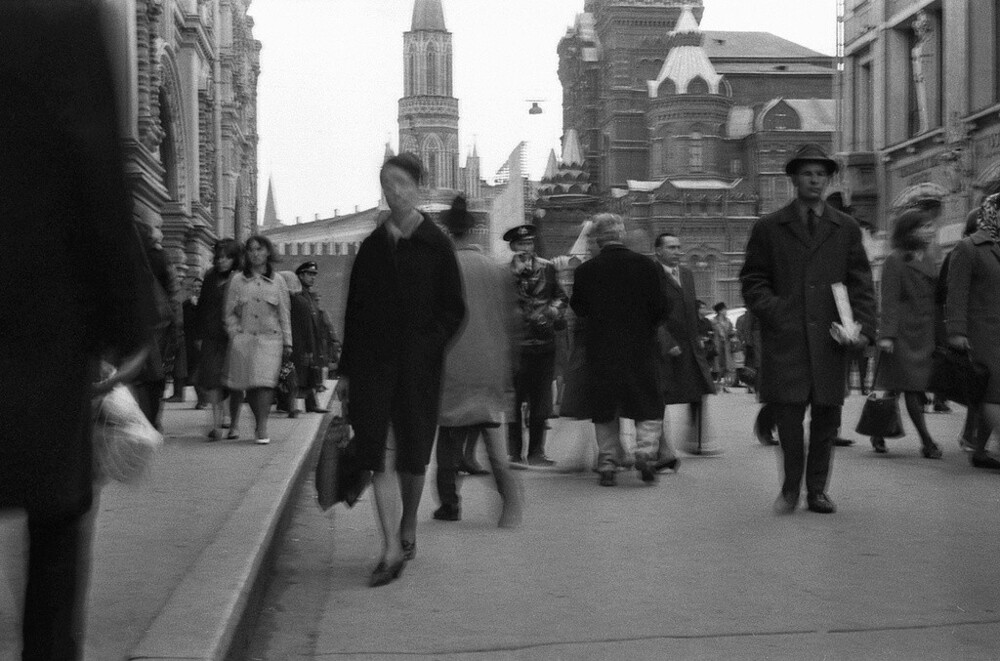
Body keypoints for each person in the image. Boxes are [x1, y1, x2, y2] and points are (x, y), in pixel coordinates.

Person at [1, 3, 155, 657]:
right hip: (35, 312)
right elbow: (94, 159)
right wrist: (126, 315)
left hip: (38, 312)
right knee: (55, 517)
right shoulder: (58, 13)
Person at [335, 153, 465, 587]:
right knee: (378, 453)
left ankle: (408, 524)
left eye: (401, 183)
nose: (393, 191)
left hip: (417, 368)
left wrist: (428, 345)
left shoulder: (436, 245)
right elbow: (354, 313)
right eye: (386, 183)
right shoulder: (372, 247)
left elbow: (454, 310)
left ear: (419, 188)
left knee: (411, 454)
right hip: (373, 366)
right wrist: (347, 373)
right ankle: (390, 546)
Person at [740, 144, 875, 515]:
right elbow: (753, 281)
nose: (815, 180)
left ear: (828, 179)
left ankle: (817, 491)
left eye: (821, 174)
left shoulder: (844, 228)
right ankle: (789, 489)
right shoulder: (769, 227)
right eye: (807, 173)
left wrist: (863, 330)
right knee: (788, 418)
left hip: (832, 340)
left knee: (827, 419)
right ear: (794, 179)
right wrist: (778, 312)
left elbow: (860, 282)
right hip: (787, 340)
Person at [433, 195, 523, 525]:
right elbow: (511, 321)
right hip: (489, 366)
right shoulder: (494, 270)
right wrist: (508, 364)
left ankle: (449, 504)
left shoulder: (441, 268)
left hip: (452, 364)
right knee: (493, 442)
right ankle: (509, 500)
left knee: (449, 440)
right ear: (473, 232)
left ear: (448, 231)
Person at [570, 214, 668, 487]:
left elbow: (579, 309)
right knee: (647, 402)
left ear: (598, 239)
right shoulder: (647, 267)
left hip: (601, 351)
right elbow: (662, 309)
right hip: (640, 349)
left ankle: (608, 463)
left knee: (605, 406)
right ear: (622, 235)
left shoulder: (585, 271)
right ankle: (646, 455)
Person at [868, 208, 943, 458]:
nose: (930, 230)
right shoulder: (895, 259)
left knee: (895, 387)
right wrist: (887, 335)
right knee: (909, 387)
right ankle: (927, 441)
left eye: (931, 226)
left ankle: (877, 432)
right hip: (900, 335)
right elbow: (888, 299)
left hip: (923, 333)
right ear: (909, 231)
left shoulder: (930, 257)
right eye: (924, 226)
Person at [504, 224, 568, 466]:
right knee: (514, 402)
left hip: (543, 343)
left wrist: (551, 313)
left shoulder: (548, 268)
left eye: (529, 243)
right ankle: (514, 452)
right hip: (515, 347)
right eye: (521, 244)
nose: (526, 249)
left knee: (541, 400)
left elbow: (561, 297)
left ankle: (536, 452)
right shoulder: (503, 272)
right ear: (512, 247)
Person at [947, 193, 1000, 470]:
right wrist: (956, 331)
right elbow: (956, 293)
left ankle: (980, 451)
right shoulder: (968, 248)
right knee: (993, 392)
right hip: (983, 334)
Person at [653, 232, 716, 464]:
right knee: (660, 397)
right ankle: (661, 447)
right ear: (658, 251)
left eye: (679, 247)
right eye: (671, 247)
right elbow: (651, 314)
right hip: (664, 348)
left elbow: (691, 309)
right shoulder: (651, 275)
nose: (677, 251)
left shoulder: (687, 275)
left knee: (699, 390)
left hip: (690, 346)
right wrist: (666, 342)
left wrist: (698, 336)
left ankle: (695, 440)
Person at [224, 235, 292, 445]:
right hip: (245, 340)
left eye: (259, 249)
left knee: (265, 383)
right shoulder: (237, 280)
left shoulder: (278, 280)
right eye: (251, 250)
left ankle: (262, 425)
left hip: (271, 340)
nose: (255, 253)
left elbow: (284, 313)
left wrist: (288, 341)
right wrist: (235, 333)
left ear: (268, 252)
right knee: (251, 384)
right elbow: (229, 313)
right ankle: (258, 420)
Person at [938, 210, 992, 454]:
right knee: (984, 389)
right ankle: (974, 440)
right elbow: (950, 294)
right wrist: (956, 331)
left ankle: (975, 440)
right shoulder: (964, 250)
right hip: (978, 331)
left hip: (990, 327)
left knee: (985, 391)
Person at [196, 239, 243, 442]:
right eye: (220, 257)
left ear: (235, 258)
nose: (222, 261)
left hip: (235, 337)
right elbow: (202, 307)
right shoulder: (210, 278)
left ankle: (234, 425)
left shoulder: (241, 278)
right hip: (212, 336)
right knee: (213, 380)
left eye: (227, 257)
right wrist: (198, 334)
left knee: (235, 383)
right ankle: (216, 426)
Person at [291, 262, 330, 415]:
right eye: (309, 274)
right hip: (299, 340)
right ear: (300, 275)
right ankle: (291, 405)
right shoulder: (297, 295)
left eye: (314, 275)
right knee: (297, 374)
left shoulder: (309, 295)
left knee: (309, 371)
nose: (313, 277)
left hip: (310, 339)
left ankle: (311, 403)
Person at [180, 275, 208, 409]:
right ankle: (201, 399)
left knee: (201, 371)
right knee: (193, 372)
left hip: (205, 341)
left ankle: (203, 400)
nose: (197, 289)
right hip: (190, 342)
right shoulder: (186, 305)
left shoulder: (208, 303)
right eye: (194, 287)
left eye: (200, 286)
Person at [711, 302, 735, 391]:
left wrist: (732, 334)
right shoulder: (713, 321)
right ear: (720, 311)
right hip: (717, 346)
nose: (726, 311)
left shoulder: (728, 321)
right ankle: (717, 383)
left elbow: (731, 331)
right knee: (719, 365)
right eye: (724, 309)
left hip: (727, 346)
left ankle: (725, 384)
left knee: (727, 365)